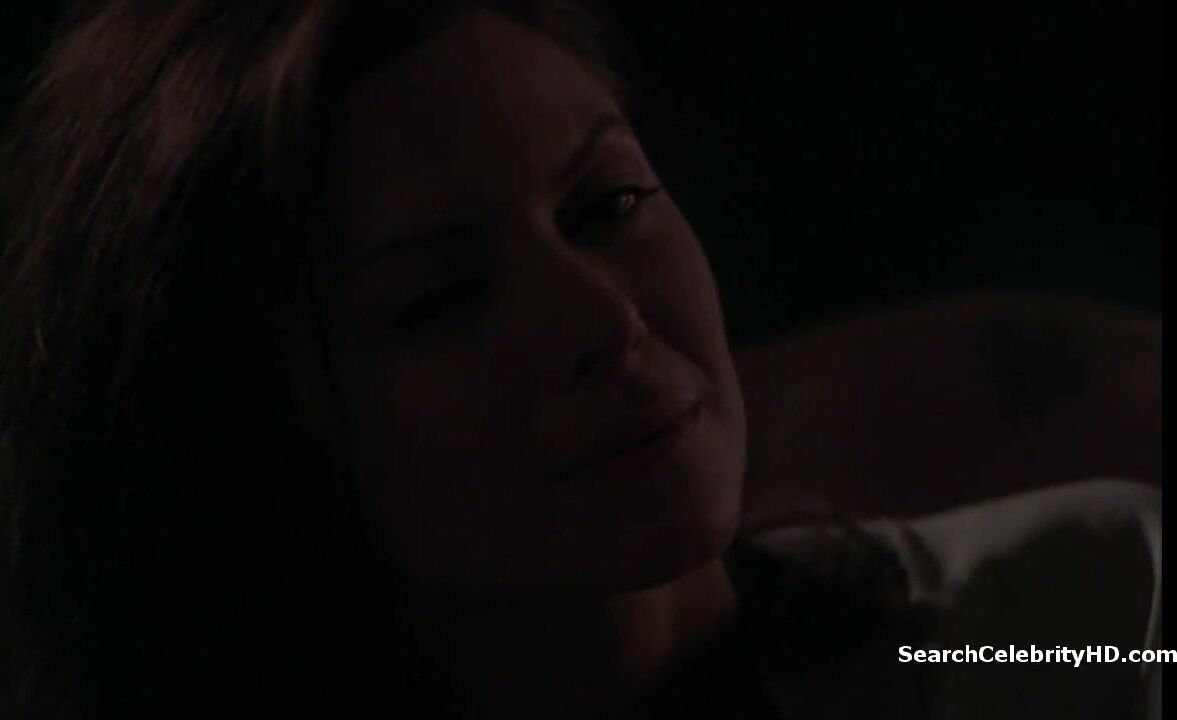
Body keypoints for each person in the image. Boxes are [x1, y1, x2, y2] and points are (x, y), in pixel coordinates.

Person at [0, 2, 1160, 718]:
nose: (603, 319)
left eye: (607, 204)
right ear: (248, 428)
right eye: (442, 299)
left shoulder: (1086, 623)